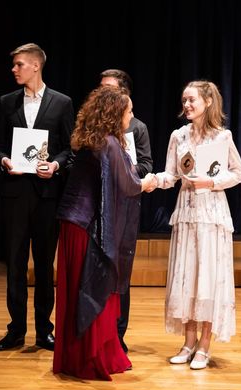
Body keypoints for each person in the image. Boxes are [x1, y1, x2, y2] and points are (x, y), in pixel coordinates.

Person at [53, 85, 154, 380]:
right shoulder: (109, 143)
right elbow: (128, 185)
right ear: (115, 113)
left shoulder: (92, 139)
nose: (131, 116)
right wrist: (148, 183)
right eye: (129, 111)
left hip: (72, 224)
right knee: (94, 287)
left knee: (76, 292)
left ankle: (76, 356)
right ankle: (91, 359)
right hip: (87, 227)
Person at [145, 80, 241, 370]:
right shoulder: (179, 136)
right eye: (184, 101)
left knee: (209, 278)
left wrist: (211, 182)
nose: (187, 105)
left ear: (208, 102)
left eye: (192, 100)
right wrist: (152, 181)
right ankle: (188, 343)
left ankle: (204, 345)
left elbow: (238, 173)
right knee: (187, 276)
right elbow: (171, 175)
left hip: (212, 214)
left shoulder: (222, 137)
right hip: (187, 214)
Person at [0, 43, 74, 351]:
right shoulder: (6, 102)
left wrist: (54, 165)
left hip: (46, 195)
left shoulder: (62, 103)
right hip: (15, 193)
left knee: (43, 265)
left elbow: (69, 149)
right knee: (14, 263)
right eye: (14, 65)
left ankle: (44, 330)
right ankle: (15, 330)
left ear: (36, 66)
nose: (14, 69)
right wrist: (4, 160)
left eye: (19, 64)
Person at [99, 68, 153, 353]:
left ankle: (118, 333)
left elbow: (146, 165)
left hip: (126, 205)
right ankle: (98, 330)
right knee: (99, 268)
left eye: (109, 88)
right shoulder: (94, 124)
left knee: (121, 269)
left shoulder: (137, 127)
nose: (103, 92)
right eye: (101, 88)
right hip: (99, 204)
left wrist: (124, 168)